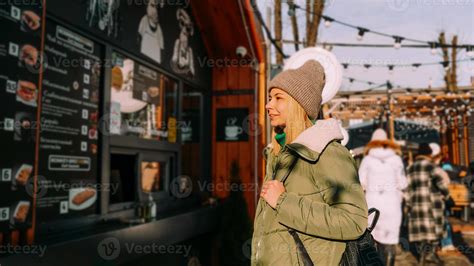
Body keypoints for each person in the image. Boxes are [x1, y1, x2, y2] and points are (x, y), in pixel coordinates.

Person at [251, 61, 368, 265]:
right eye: (270, 98)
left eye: (278, 98)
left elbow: (353, 221)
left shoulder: (327, 153)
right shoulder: (277, 155)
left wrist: (282, 201)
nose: (268, 105)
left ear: (299, 105)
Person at [358, 128, 407, 266]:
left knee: (374, 238)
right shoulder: (396, 159)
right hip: (392, 204)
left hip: (373, 203)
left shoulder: (367, 159)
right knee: (390, 241)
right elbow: (403, 183)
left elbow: (361, 182)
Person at [405, 143, 449, 265]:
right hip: (432, 204)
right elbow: (441, 184)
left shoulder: (410, 168)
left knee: (421, 231)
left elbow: (407, 189)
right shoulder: (431, 167)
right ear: (429, 154)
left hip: (416, 204)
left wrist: (409, 203)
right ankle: (430, 254)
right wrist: (446, 195)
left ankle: (422, 255)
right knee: (434, 231)